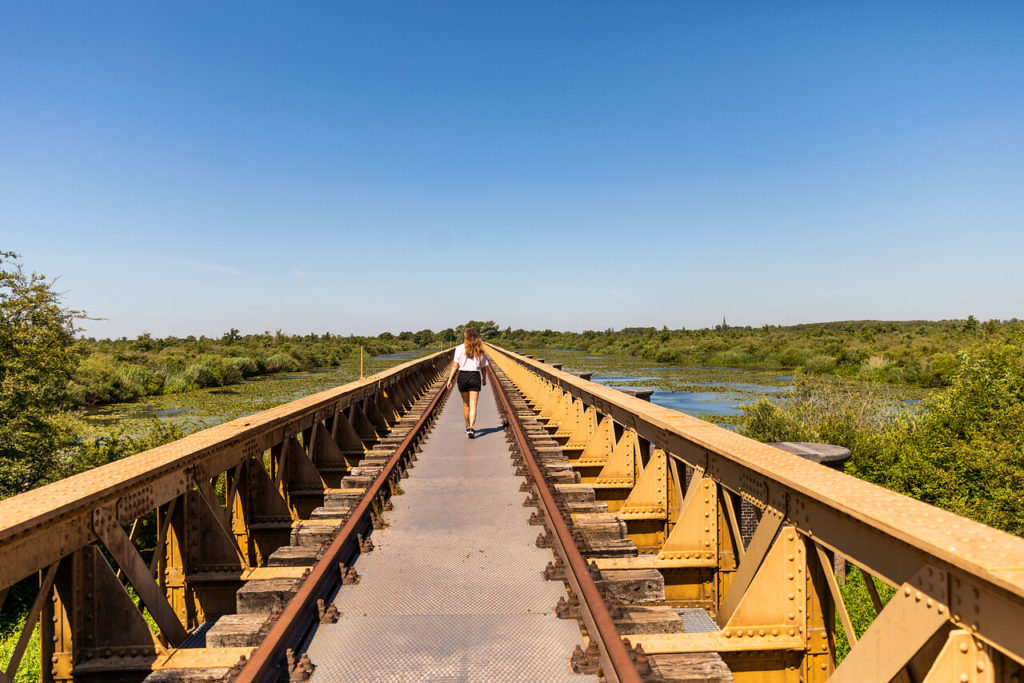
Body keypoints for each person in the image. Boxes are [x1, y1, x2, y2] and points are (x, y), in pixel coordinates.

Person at [446, 326, 489, 438]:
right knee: (473, 404)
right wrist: (484, 379)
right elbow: (484, 367)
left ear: (465, 335)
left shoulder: (459, 348)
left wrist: (450, 379)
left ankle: (467, 426)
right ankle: (472, 427)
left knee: (466, 405)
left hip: (463, 376)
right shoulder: (480, 349)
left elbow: (455, 365)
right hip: (475, 376)